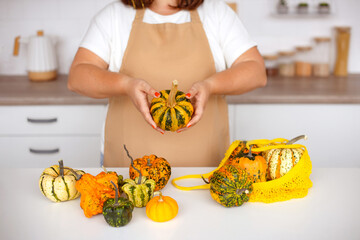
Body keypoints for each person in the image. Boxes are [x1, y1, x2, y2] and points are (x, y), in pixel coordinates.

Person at [68, 0, 267, 167]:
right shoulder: (114, 16)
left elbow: (256, 71)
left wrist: (210, 86)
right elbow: (78, 76)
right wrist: (125, 85)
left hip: (205, 166)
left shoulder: (217, 12)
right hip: (128, 168)